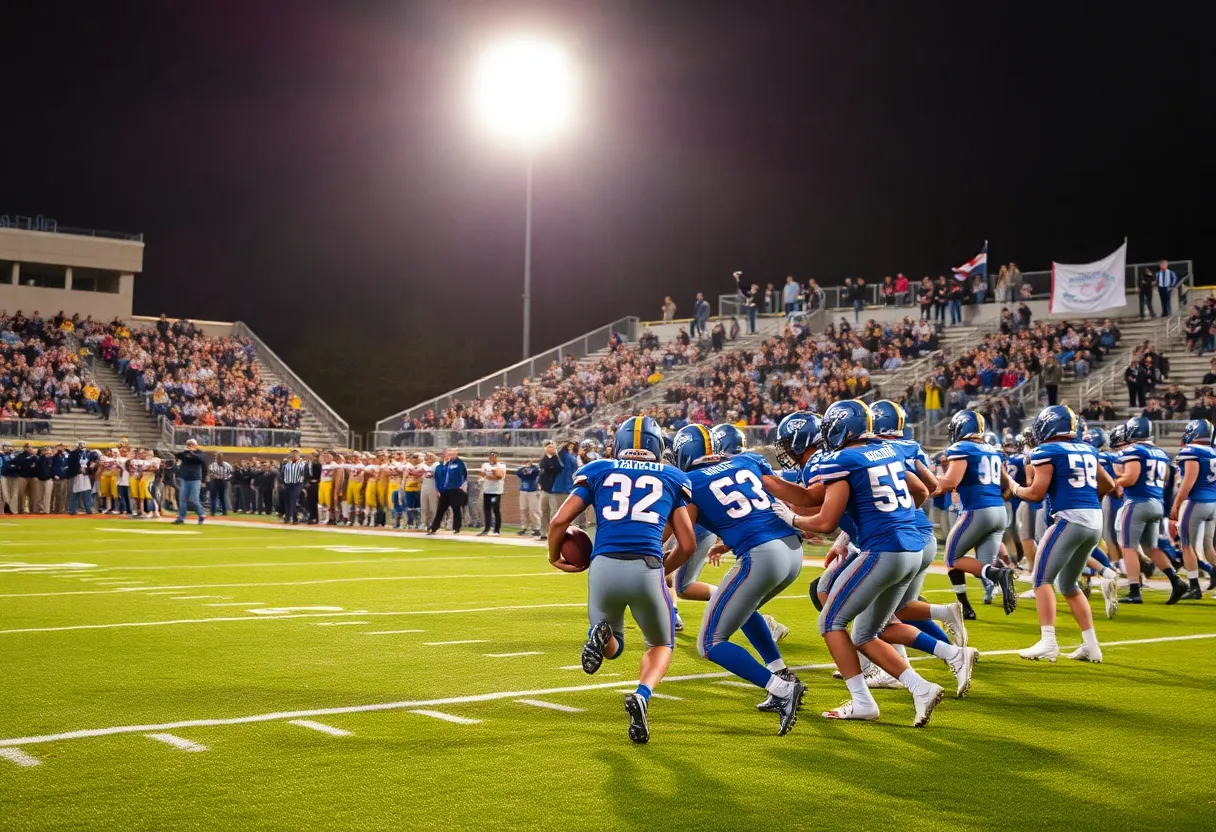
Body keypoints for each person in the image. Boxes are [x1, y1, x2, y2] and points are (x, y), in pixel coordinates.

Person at [783, 400, 946, 726]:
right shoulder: (887, 450)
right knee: (868, 631)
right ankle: (920, 687)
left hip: (882, 549)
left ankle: (862, 701)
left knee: (830, 622)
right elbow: (924, 488)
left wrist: (792, 518)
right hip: (911, 545)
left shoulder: (840, 459)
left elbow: (824, 517)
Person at [547, 415, 696, 744]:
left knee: (613, 647)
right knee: (660, 644)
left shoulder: (599, 469)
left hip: (603, 566)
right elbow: (688, 545)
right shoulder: (672, 476)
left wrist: (554, 556)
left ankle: (601, 635)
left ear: (618, 444)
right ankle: (642, 695)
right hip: (646, 567)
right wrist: (663, 569)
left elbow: (559, 522)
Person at [670, 422, 809, 734]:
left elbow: (682, 540)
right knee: (744, 610)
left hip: (761, 557)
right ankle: (781, 672)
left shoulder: (689, 481)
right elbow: (774, 503)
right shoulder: (747, 460)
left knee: (710, 643)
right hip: (792, 551)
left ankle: (780, 689)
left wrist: (654, 566)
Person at [1013, 406, 1116, 662]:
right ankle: (1091, 646)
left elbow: (1036, 493)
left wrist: (1014, 488)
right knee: (1068, 584)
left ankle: (1048, 641)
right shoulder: (1088, 449)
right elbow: (1108, 484)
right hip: (1094, 520)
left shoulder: (1047, 450)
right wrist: (1089, 501)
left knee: (1041, 579)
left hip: (1070, 519)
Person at [934, 410, 1019, 618]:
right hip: (998, 511)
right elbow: (1005, 485)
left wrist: (923, 484)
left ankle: (999, 574)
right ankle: (967, 608)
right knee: (981, 565)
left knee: (952, 558)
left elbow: (950, 482)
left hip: (977, 511)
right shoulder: (992, 450)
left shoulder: (963, 448)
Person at [1114, 416, 1187, 603]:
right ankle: (1176, 580)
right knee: (1150, 548)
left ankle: (1134, 590)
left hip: (1137, 502)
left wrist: (1113, 482)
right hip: (1156, 502)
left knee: (1128, 546)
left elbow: (1131, 478)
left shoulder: (1135, 450)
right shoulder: (1160, 452)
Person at [1168, 419, 1216, 601]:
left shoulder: (1191, 451)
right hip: (1213, 503)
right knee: (1208, 547)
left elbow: (1188, 482)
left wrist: (1176, 504)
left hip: (1196, 502)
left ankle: (1194, 586)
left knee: (1186, 545)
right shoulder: (1213, 452)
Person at [427, 448, 468, 535]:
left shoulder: (459, 463)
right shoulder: (445, 464)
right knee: (441, 509)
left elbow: (463, 474)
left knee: (456, 508)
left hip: (455, 489)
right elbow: (442, 475)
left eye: (451, 454)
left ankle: (456, 528)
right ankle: (434, 527)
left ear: (455, 454)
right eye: (448, 454)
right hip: (445, 489)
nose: (449, 456)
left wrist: (461, 485)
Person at [173, 439, 206, 524]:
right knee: (182, 499)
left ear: (195, 445)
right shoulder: (185, 453)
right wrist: (184, 451)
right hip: (185, 478)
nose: (190, 446)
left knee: (194, 500)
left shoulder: (200, 453)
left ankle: (201, 514)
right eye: (188, 444)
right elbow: (176, 455)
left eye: (191, 444)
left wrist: (192, 453)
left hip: (195, 478)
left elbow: (201, 460)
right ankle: (181, 518)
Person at [477, 451, 506, 536]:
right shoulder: (485, 465)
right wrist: (489, 476)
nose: (491, 458)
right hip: (487, 490)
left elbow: (499, 476)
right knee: (487, 510)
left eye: (493, 457)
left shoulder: (501, 466)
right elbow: (482, 475)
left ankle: (497, 529)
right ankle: (486, 528)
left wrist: (488, 476)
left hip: (496, 491)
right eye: (490, 457)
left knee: (496, 509)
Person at [279, 448, 308, 524]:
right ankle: (288, 517)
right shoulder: (287, 464)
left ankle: (295, 518)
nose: (293, 454)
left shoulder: (303, 464)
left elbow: (306, 474)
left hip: (297, 483)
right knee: (287, 501)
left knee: (293, 500)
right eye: (292, 453)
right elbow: (282, 474)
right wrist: (282, 482)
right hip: (288, 483)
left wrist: (304, 484)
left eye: (295, 453)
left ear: (298, 454)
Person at [514, 457, 541, 537]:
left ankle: (537, 528)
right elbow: (518, 472)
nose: (527, 463)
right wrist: (525, 469)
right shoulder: (522, 469)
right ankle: (524, 527)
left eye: (528, 462)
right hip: (523, 490)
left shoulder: (535, 469)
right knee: (523, 509)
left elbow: (535, 472)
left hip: (533, 491)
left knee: (534, 510)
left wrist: (529, 469)